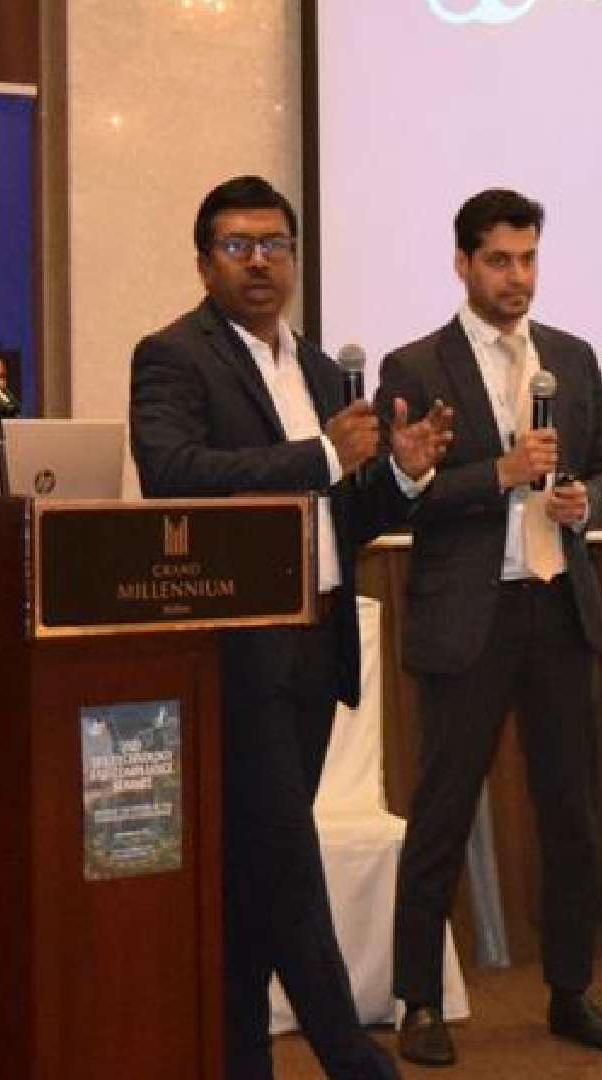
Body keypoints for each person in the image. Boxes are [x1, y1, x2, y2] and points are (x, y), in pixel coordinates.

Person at [127, 175, 452, 1080]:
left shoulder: (312, 367)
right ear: (204, 262)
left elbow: (339, 519)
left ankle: (237, 1061)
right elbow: (174, 473)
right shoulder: (172, 356)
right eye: (238, 246)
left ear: (296, 259)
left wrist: (403, 478)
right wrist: (322, 456)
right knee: (284, 852)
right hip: (235, 649)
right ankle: (352, 1055)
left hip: (316, 640)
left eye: (275, 244)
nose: (260, 261)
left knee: (250, 873)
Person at [376, 188, 602, 1066]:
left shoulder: (574, 358)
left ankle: (570, 990)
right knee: (442, 810)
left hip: (558, 608)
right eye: (498, 260)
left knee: (572, 814)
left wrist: (582, 499)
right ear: (463, 264)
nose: (516, 277)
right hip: (467, 619)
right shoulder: (415, 368)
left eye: (528, 259)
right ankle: (419, 1001)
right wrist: (503, 472)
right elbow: (405, 494)